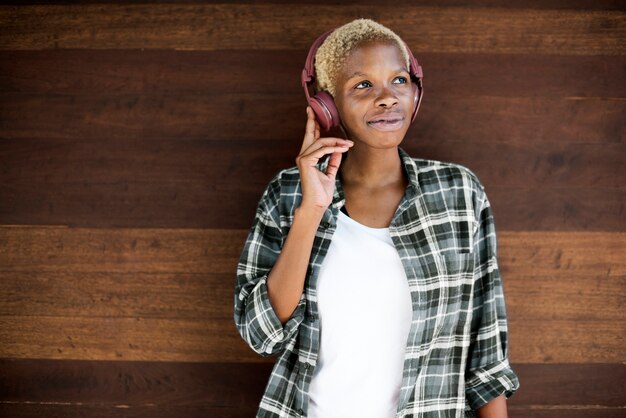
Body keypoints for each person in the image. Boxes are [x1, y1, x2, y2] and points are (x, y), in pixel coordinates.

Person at [234, 18, 519, 418]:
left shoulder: (459, 192)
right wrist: (311, 210)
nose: (387, 98)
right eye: (363, 85)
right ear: (327, 106)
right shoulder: (287, 195)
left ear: (416, 92)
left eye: (399, 80)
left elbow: (487, 352)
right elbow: (261, 334)